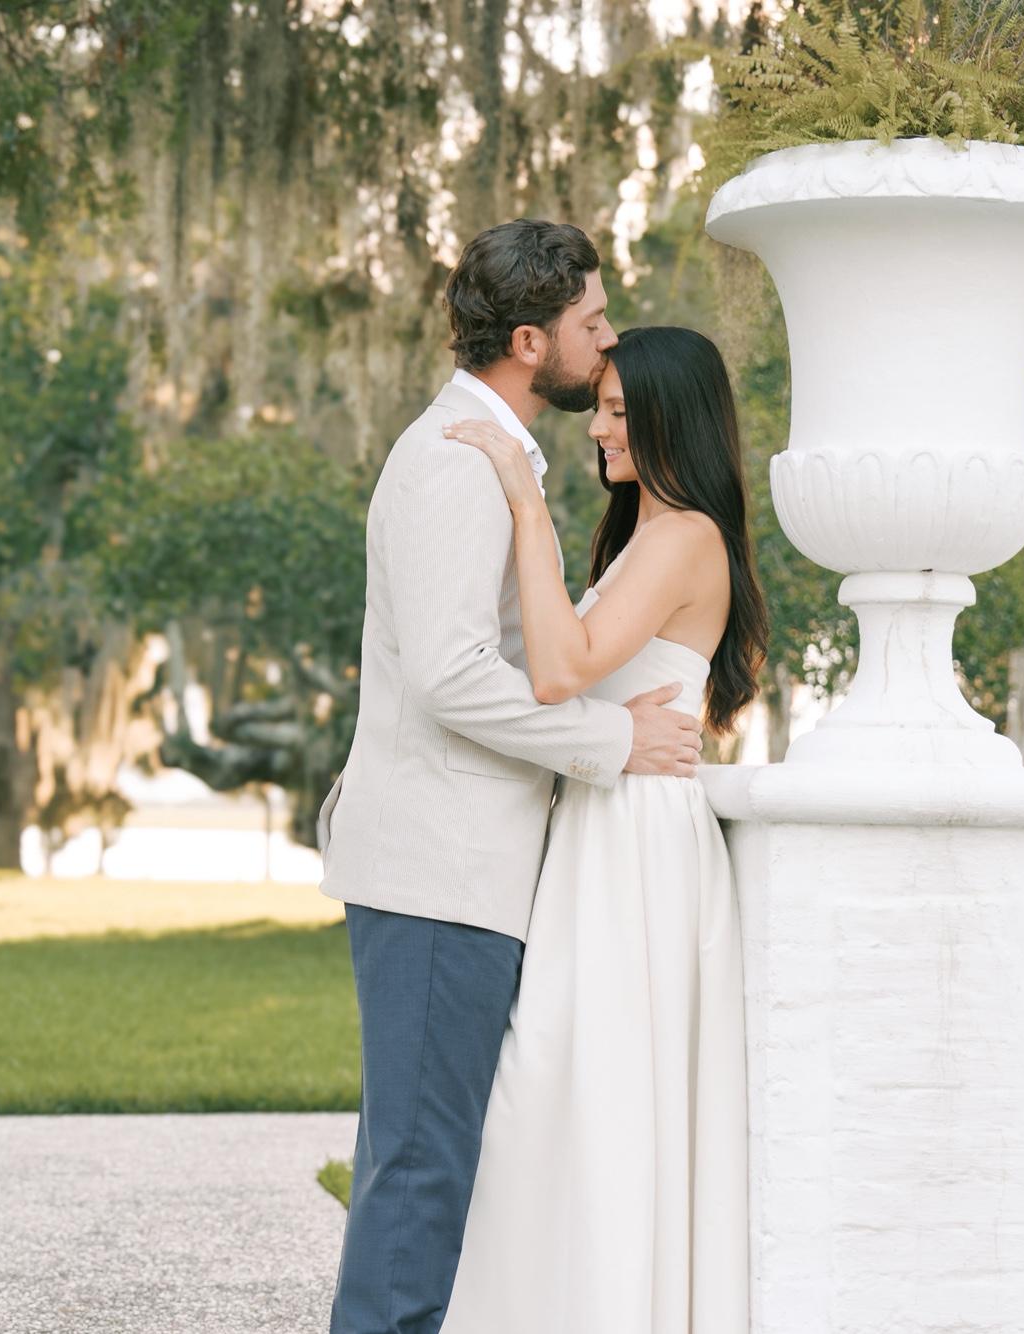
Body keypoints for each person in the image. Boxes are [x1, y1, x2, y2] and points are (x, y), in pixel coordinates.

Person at [319, 221, 704, 1334]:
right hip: (439, 867)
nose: (608, 339)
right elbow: (449, 676)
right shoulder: (457, 460)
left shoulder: (494, 456)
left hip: (462, 867)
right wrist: (611, 741)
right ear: (532, 343)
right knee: (421, 1172)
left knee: (428, 1162)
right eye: (593, 321)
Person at [440, 324, 768, 1333]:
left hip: (635, 841)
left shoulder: (684, 537)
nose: (600, 429)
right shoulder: (647, 538)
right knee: (563, 1087)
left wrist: (523, 500)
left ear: (673, 419)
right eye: (604, 409)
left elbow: (559, 669)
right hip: (605, 822)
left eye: (622, 412)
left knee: (587, 1085)